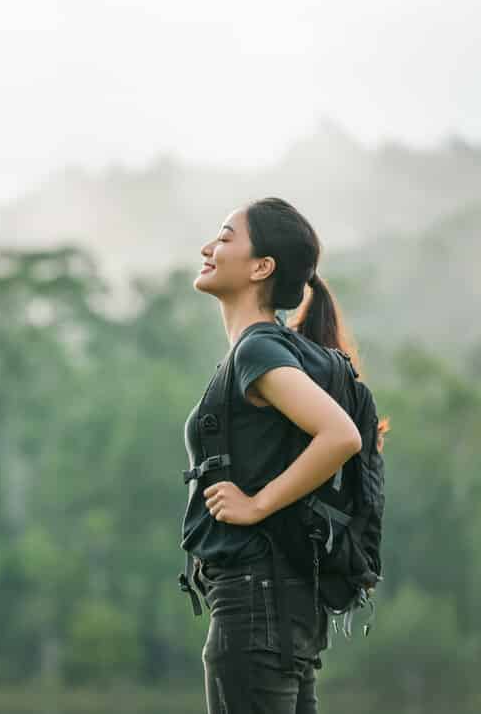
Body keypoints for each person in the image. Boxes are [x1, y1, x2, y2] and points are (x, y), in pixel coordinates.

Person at [183, 196, 367, 714]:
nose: (208, 247)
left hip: (254, 607)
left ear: (262, 267)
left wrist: (257, 503)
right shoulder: (272, 347)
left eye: (224, 238)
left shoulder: (258, 350)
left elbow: (340, 435)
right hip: (284, 608)